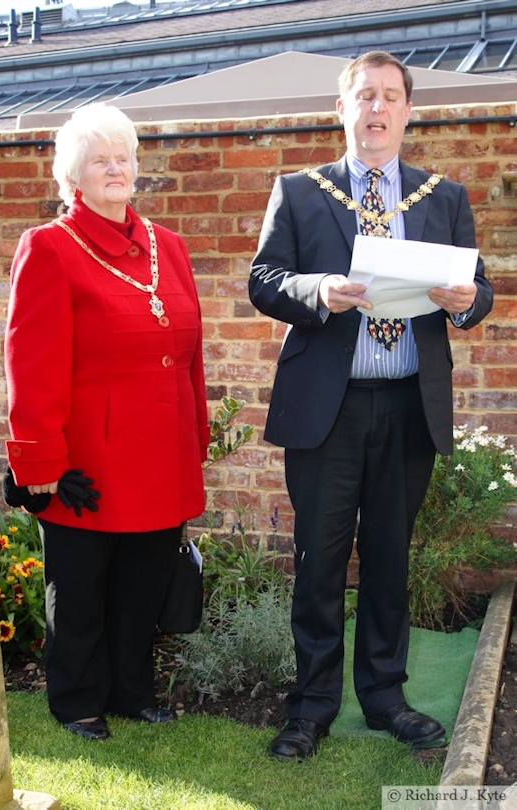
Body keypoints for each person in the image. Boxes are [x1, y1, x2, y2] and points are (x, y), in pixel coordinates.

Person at [249, 50, 493, 761]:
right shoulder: (299, 191)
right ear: (343, 108)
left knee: (390, 557)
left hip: (410, 406)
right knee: (319, 561)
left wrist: (465, 301)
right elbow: (264, 279)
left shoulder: (442, 197)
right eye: (364, 97)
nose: (377, 110)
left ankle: (386, 699)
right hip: (330, 409)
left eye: (390, 97)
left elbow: (477, 290)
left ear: (408, 111)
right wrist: (316, 292)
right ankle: (312, 707)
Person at [4, 103, 209, 741]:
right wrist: (40, 464)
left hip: (160, 456)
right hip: (86, 462)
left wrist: (194, 442)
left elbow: (190, 356)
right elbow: (30, 363)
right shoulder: (48, 248)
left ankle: (130, 691)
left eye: (123, 157)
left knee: (142, 585)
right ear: (74, 177)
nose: (115, 169)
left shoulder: (168, 247)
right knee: (83, 591)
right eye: (100, 160)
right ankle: (77, 700)